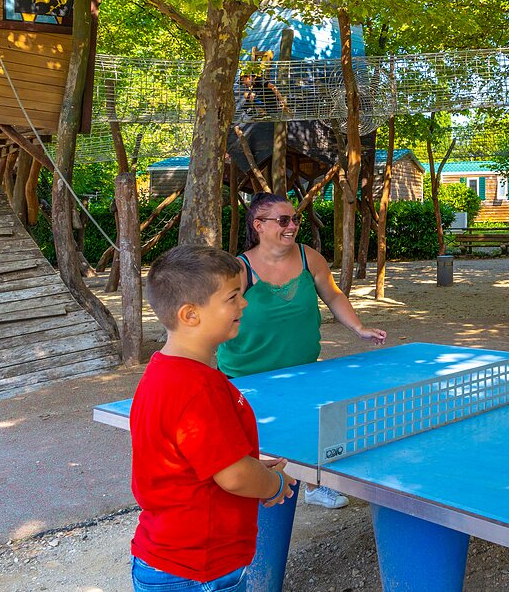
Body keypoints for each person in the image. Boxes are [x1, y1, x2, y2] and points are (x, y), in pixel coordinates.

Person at [130, 245, 296, 592]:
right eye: (233, 297)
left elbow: (197, 457)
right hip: (198, 569)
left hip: (168, 556)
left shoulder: (166, 372)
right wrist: (275, 485)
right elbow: (234, 477)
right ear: (191, 315)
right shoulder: (197, 387)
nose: (244, 303)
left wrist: (247, 462)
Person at [220, 192, 387, 514]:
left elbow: (334, 296)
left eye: (295, 219)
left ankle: (314, 487)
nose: (293, 225)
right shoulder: (240, 268)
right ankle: (259, 493)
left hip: (302, 367)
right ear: (259, 225)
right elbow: (220, 311)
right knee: (258, 437)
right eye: (283, 220)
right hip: (246, 372)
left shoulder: (309, 256)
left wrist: (358, 328)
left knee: (311, 428)